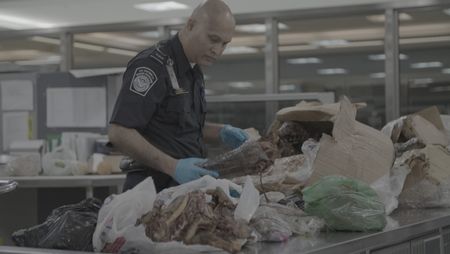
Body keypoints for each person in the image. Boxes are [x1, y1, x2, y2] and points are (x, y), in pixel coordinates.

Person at [108, 0, 249, 192]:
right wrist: (173, 167)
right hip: (151, 189)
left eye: (225, 44)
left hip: (184, 188)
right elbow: (119, 132)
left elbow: (177, 124)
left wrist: (221, 131)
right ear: (191, 25)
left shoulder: (194, 70)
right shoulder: (152, 66)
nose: (218, 50)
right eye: (213, 39)